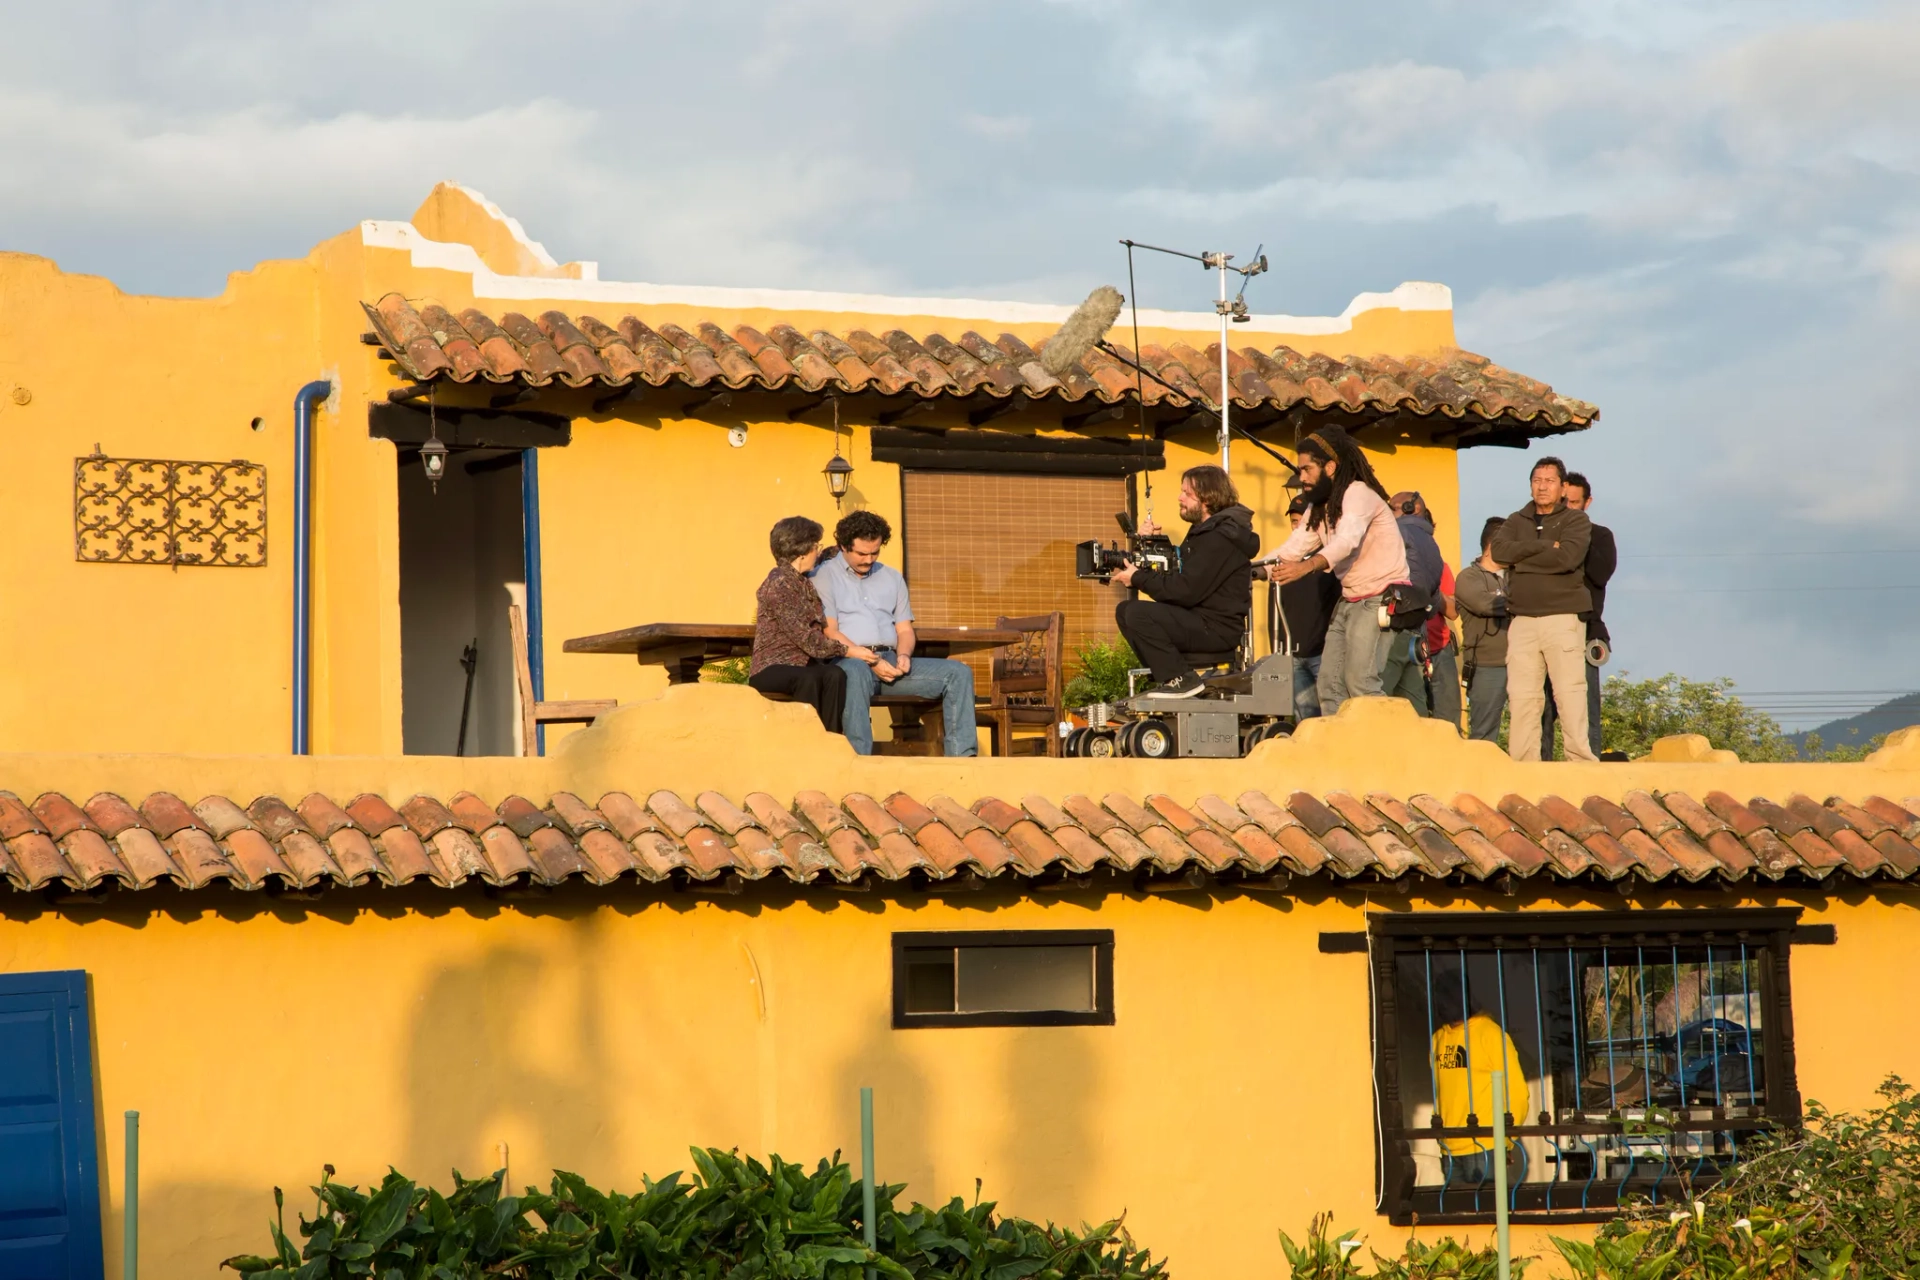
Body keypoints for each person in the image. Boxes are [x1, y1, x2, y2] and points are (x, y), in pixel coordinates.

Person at [1264, 426, 1409, 716]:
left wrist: (1306, 566)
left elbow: (1346, 541)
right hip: (1350, 601)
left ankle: (1379, 757)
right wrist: (1249, 570)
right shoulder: (1319, 506)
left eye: (1306, 469)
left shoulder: (1358, 493)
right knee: (1328, 686)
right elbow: (1291, 549)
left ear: (1330, 466)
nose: (1301, 477)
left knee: (1362, 683)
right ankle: (1339, 756)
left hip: (1380, 598)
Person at [813, 510, 980, 757]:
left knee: (959, 673)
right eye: (861, 553)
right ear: (843, 547)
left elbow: (904, 629)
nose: (869, 559)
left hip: (890, 662)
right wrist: (871, 660)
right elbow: (831, 632)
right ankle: (859, 761)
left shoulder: (891, 577)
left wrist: (904, 655)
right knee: (854, 671)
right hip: (850, 661)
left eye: (875, 552)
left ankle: (962, 762)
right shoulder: (823, 576)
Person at [1109, 465, 1259, 699]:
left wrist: (1138, 578)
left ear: (1207, 498)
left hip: (1216, 627)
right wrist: (1152, 544)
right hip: (1199, 619)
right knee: (1125, 610)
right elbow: (1181, 572)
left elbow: (1184, 590)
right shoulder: (1205, 532)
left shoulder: (1220, 538)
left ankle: (1180, 679)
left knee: (1137, 613)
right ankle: (1171, 676)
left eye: (1187, 494)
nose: (1179, 498)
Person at [1490, 457, 1597, 762]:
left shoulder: (1576, 521)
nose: (1542, 486)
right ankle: (1523, 763)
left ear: (1563, 487)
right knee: (1523, 697)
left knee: (1570, 692)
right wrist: (1544, 547)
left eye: (1549, 481)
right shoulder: (1516, 519)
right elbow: (1499, 552)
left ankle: (1579, 759)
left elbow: (1567, 559)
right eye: (1537, 480)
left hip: (1562, 617)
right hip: (1522, 618)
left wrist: (1520, 558)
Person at [748, 516, 881, 734]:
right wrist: (850, 651)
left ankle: (832, 739)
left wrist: (846, 544)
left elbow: (833, 555)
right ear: (802, 551)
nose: (817, 552)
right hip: (773, 667)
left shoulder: (801, 578)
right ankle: (806, 741)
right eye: (815, 546)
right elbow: (807, 639)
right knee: (810, 678)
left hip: (802, 666)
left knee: (835, 675)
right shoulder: (780, 583)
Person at [1540, 472, 1615, 758]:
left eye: (1574, 503)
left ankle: (1589, 768)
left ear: (1587, 503)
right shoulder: (1542, 533)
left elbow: (1599, 574)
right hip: (1546, 626)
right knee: (1543, 708)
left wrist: (1574, 541)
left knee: (1586, 708)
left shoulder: (1600, 536)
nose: (1569, 508)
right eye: (1564, 502)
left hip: (1586, 628)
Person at [1430, 983, 1531, 1189]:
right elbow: (1440, 1092)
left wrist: (1507, 1140)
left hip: (1486, 1145)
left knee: (1489, 1214)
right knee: (1459, 1218)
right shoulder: (1438, 1038)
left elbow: (1517, 1093)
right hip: (1449, 1147)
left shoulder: (1491, 1034)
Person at [1380, 491, 1448, 718]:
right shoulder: (1431, 543)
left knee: (1375, 698)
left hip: (1393, 626)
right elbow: (1435, 595)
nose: (1388, 513)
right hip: (1416, 632)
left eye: (1393, 508)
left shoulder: (1399, 533)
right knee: (1414, 705)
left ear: (1412, 508)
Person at [1277, 495, 1339, 718]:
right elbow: (1276, 607)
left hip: (1322, 654)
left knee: (1331, 715)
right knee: (1305, 720)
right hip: (1293, 656)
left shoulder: (1330, 560)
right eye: (1294, 521)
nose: (1297, 526)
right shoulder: (1283, 560)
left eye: (1301, 521)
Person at [1455, 517, 1512, 743]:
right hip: (1488, 666)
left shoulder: (1516, 576)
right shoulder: (1468, 577)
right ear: (1491, 546)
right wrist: (1518, 602)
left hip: (1522, 663)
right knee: (1484, 736)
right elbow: (1482, 604)